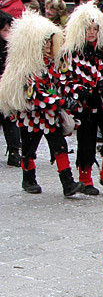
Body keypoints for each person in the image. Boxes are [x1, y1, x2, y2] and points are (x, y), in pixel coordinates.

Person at [0, 11, 83, 196]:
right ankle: (28, 179)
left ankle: (68, 183)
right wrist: (62, 101)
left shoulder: (52, 64)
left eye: (49, 41)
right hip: (31, 117)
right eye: (44, 41)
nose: (48, 45)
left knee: (60, 147)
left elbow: (59, 84)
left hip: (50, 115)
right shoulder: (26, 68)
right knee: (29, 149)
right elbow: (36, 95)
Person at [55, 3, 103, 195]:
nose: (92, 32)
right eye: (88, 28)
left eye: (96, 28)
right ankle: (85, 179)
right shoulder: (69, 53)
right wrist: (82, 92)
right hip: (83, 105)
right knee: (86, 141)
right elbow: (63, 80)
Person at [0, 11, 21, 167]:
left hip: (8, 87)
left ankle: (14, 151)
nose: (7, 34)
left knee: (10, 119)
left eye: (9, 30)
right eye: (4, 30)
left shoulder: (13, 46)